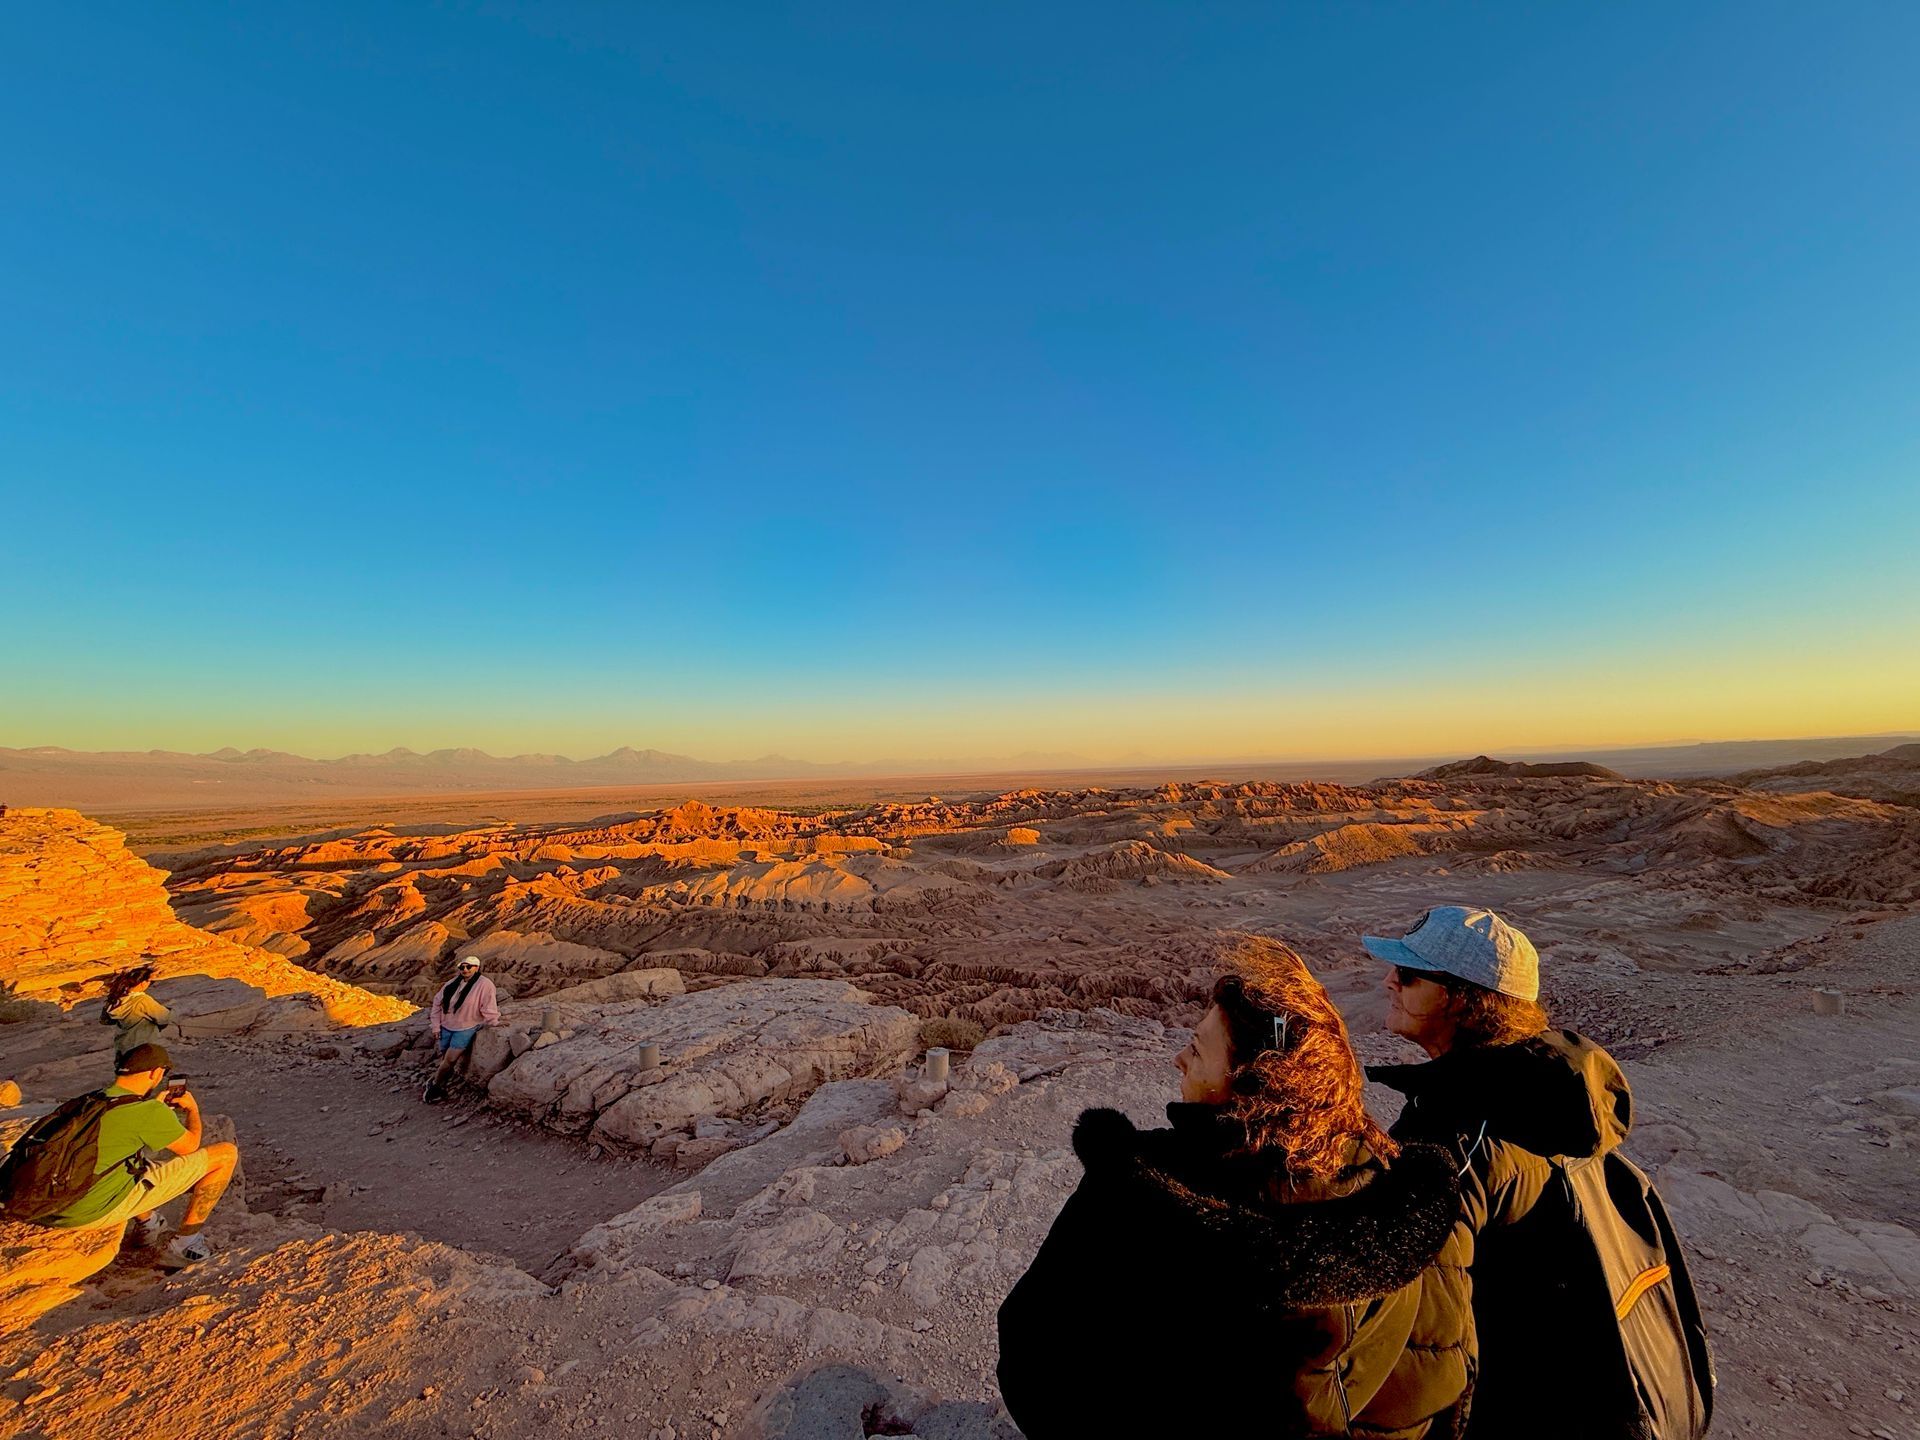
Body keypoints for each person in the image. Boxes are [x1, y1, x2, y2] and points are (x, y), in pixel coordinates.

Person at [997, 938, 1473, 1439]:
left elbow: (1033, 1360)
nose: (1180, 1059)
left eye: (1199, 1049)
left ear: (1248, 1085)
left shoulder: (1140, 1192)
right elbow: (1441, 1367)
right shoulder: (1394, 1190)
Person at [1366, 906, 1712, 1440]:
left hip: (1516, 1409)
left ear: (1461, 998)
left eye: (1409, 975)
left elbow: (1402, 1314)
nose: (1389, 981)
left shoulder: (1466, 1130)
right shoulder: (1546, 1098)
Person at [37, 1043, 240, 1266]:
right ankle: (186, 1244)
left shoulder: (90, 1101)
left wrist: (154, 1109)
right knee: (225, 1155)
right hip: (87, 1212)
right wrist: (193, 1110)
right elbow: (190, 1145)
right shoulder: (147, 1112)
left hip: (50, 1205)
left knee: (132, 1160)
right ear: (156, 1073)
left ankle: (149, 1223)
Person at [423, 955, 501, 1102]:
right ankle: (440, 1082)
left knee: (450, 1060)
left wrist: (494, 1021)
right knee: (446, 1059)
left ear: (477, 968)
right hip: (446, 1026)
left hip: (466, 1028)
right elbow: (437, 1003)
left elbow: (488, 1006)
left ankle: (434, 1087)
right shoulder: (452, 983)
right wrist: (435, 1026)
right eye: (462, 967)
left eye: (468, 967)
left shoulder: (485, 985)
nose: (465, 970)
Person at [100, 963, 172, 1062]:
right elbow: (164, 1018)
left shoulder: (117, 997)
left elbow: (105, 1020)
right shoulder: (142, 1000)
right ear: (143, 983)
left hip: (123, 1047)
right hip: (142, 1046)